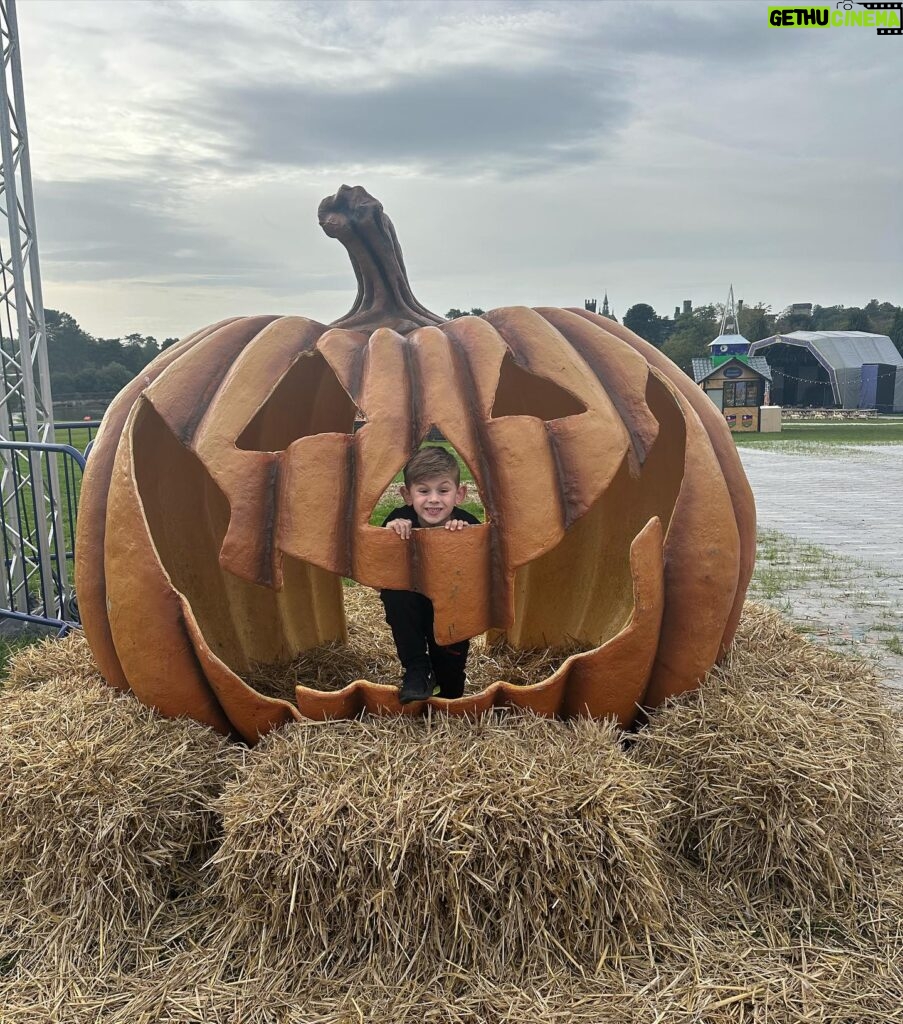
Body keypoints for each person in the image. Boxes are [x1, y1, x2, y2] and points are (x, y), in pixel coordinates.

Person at [380, 446, 481, 703]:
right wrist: (390, 533)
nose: (434, 499)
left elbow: (480, 566)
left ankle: (447, 688)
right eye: (423, 491)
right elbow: (379, 560)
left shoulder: (466, 523)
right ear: (407, 494)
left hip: (451, 607)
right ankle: (417, 668)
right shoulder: (399, 519)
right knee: (396, 596)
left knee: (450, 675)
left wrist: (464, 537)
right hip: (411, 602)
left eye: (443, 490)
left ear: (459, 494)